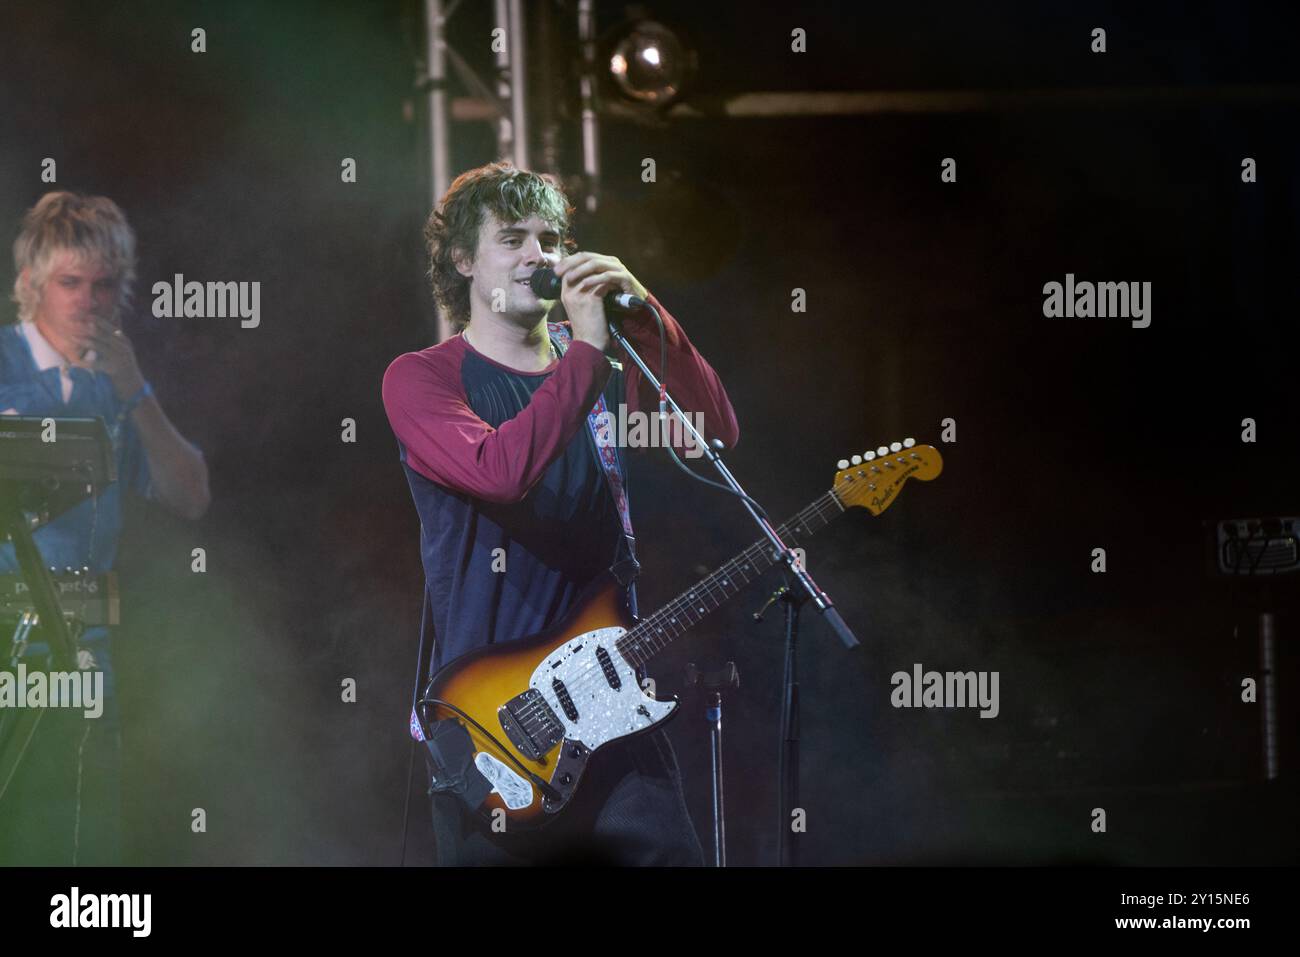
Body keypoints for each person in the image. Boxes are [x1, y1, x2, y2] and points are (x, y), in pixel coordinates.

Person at [382, 161, 738, 865]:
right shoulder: (422, 378)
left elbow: (713, 433)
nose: (537, 255)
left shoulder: (595, 364)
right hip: (497, 733)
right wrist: (589, 353)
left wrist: (646, 312)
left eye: (550, 238)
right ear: (462, 260)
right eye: (512, 238)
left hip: (613, 707)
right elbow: (500, 471)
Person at [0, 191, 210, 865]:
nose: (88, 301)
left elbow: (191, 495)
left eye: (104, 285)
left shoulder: (117, 385)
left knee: (82, 839)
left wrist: (137, 390)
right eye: (70, 283)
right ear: (30, 285)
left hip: (84, 647)